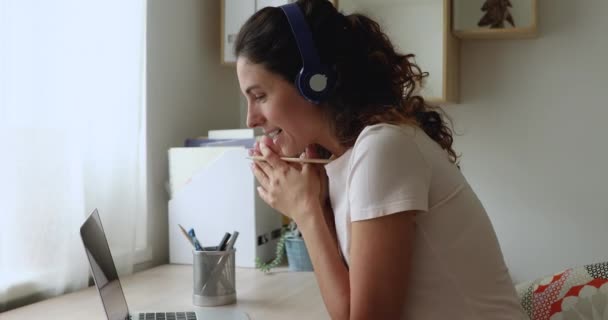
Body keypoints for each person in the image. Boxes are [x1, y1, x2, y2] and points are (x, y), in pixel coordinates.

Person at [234, 0, 526, 319]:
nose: (251, 119)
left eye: (260, 96)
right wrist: (313, 205)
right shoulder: (347, 160)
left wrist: (305, 212)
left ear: (314, 82)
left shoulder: (383, 148)